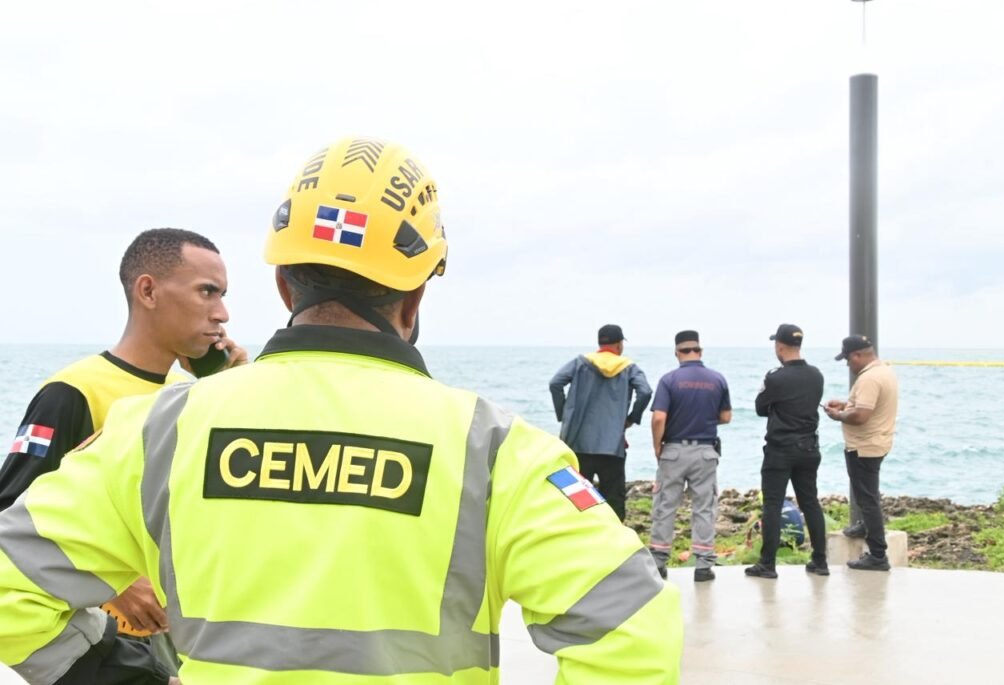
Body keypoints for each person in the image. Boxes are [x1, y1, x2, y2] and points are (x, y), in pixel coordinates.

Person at [0, 137, 683, 684]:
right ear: (415, 297)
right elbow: (633, 623)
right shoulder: (494, 450)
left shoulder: (159, 431)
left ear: (283, 283)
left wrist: (126, 674)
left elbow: (10, 588)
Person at [0, 228, 246, 683]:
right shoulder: (72, 391)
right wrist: (121, 586)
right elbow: (11, 513)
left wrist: (232, 387)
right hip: (103, 642)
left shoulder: (188, 397)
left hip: (183, 637)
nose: (222, 313)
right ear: (148, 291)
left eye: (223, 295)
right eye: (206, 292)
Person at [745, 324, 828, 579]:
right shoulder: (816, 375)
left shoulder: (775, 377)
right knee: (810, 502)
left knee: (772, 504)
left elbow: (760, 408)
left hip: (780, 449)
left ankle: (768, 564)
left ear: (779, 347)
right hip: (809, 448)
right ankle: (820, 561)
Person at [648, 330, 731, 582]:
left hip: (674, 450)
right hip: (705, 451)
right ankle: (703, 565)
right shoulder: (717, 379)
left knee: (665, 505)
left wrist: (657, 446)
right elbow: (726, 417)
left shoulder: (669, 380)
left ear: (677, 352)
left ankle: (659, 562)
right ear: (700, 351)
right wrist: (703, 419)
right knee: (704, 507)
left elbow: (658, 418)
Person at [549, 324, 652, 520]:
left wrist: (564, 414)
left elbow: (555, 383)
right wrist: (632, 418)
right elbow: (645, 392)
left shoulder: (580, 363)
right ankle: (614, 534)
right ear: (619, 344)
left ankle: (577, 531)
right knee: (613, 498)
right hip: (612, 447)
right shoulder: (628, 367)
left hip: (578, 443)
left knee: (576, 498)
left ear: (600, 343)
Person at [824, 334, 899, 572]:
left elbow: (860, 416)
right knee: (866, 494)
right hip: (877, 442)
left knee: (867, 499)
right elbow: (865, 407)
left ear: (857, 355)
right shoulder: (883, 371)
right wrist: (846, 405)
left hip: (865, 446)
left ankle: (877, 554)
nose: (848, 364)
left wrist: (838, 415)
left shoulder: (869, 378)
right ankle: (865, 526)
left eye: (847, 359)